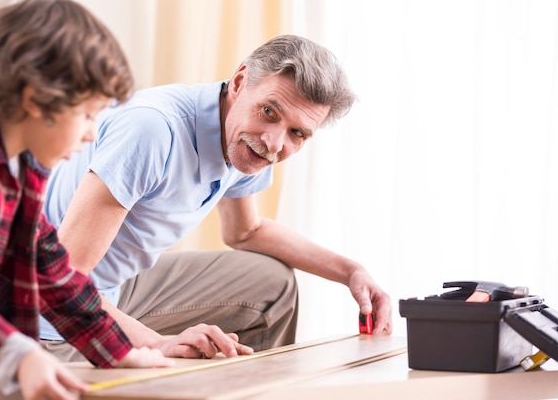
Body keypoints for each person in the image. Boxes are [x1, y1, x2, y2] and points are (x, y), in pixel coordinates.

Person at [40, 34, 393, 362]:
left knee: (271, 282)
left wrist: (351, 272)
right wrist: (158, 345)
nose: (274, 143)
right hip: (47, 308)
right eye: (269, 112)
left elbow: (245, 232)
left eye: (297, 133)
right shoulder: (151, 130)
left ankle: (251, 388)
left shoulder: (246, 140)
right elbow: (62, 280)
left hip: (113, 286)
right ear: (240, 83)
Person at [0, 0, 177, 400]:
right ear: (34, 99)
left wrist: (118, 351)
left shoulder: (23, 169)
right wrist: (20, 355)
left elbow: (51, 272)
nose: (92, 133)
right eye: (87, 114)